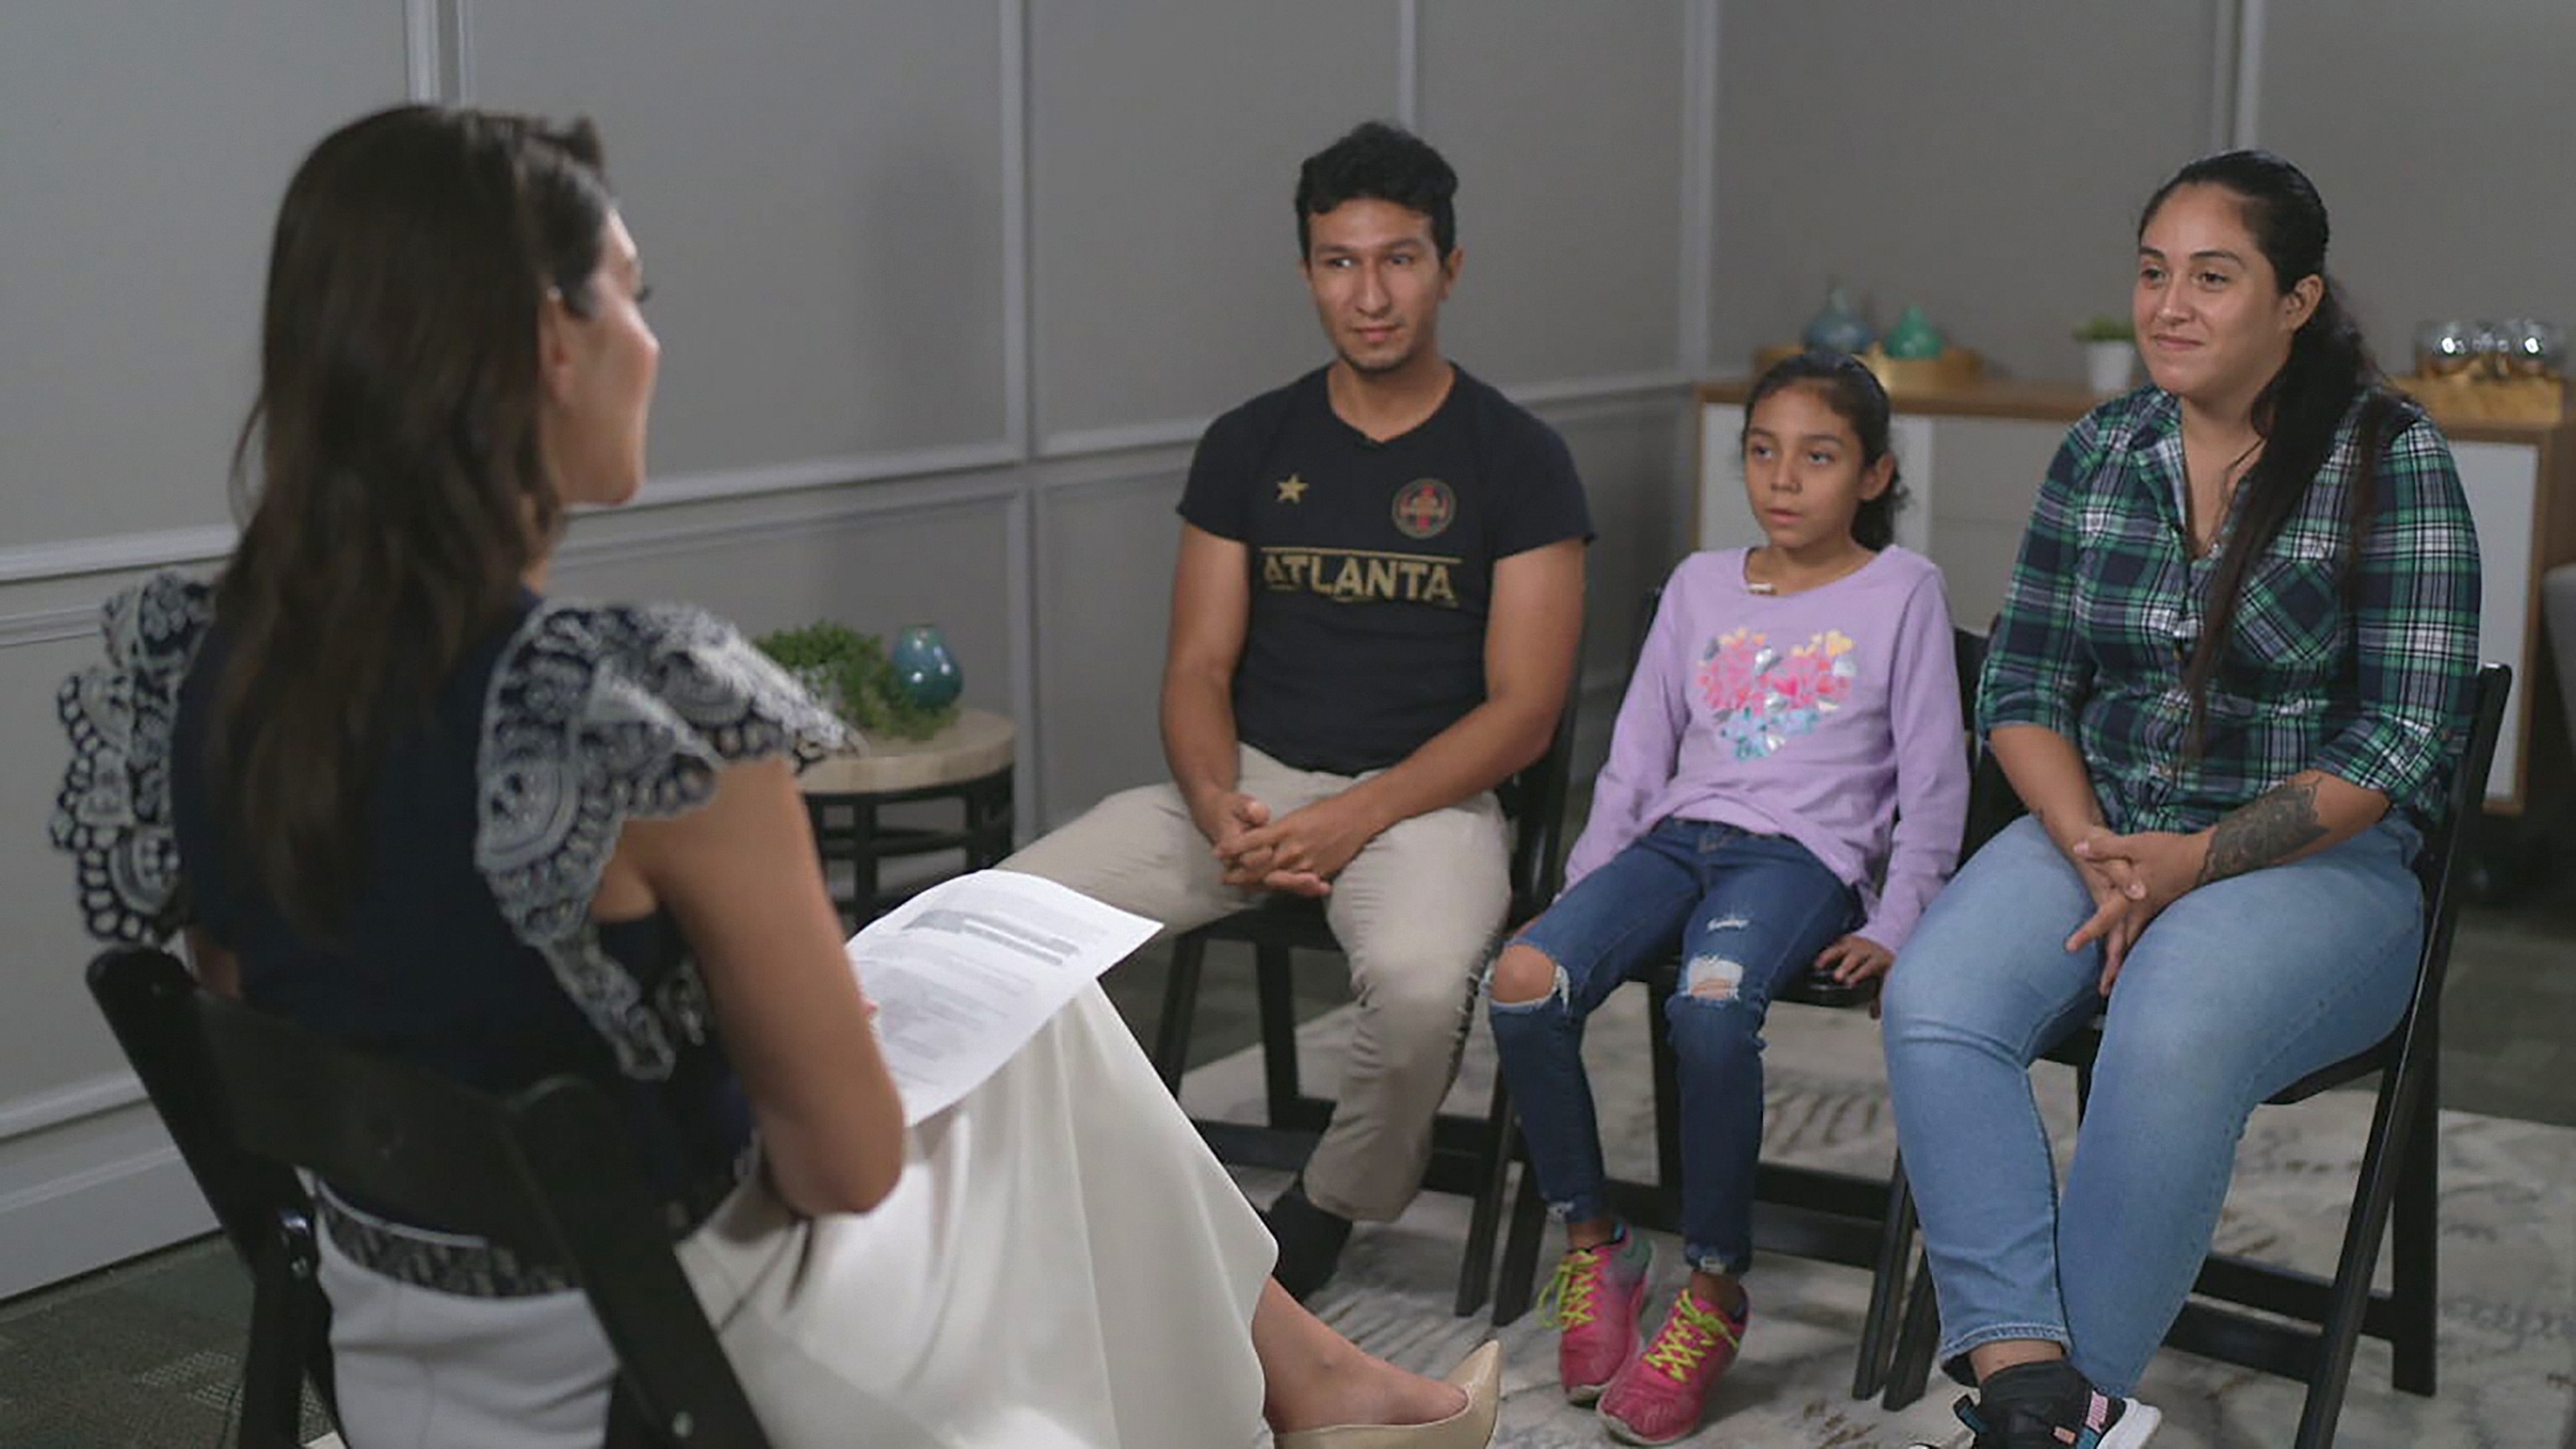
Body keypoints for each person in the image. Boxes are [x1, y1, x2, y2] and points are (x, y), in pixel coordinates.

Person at [49, 104, 1503, 1449]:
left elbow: (265, 1004)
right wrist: (805, 1038)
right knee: (1008, 1066)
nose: (652, 339)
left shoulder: (200, 671)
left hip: (396, 1342)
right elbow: (845, 1171)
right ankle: (1302, 1394)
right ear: (551, 342)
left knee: (1042, 1029)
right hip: (668, 1351)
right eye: (635, 293)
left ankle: (1310, 1380)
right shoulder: (639, 709)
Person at [1883, 150, 2481, 1449]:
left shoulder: (2391, 456)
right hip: (2098, 824)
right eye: (2155, 274)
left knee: (2166, 1022)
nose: (2171, 306)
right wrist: (2099, 849)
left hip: (2315, 865)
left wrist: (2196, 861)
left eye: (2215, 278)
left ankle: (2050, 1421)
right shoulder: (2106, 447)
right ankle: (2032, 1381)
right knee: (1935, 1000)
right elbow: (2027, 688)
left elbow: (2393, 744)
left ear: (2298, 300)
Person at [1005, 120, 1590, 1297]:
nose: (1369, 294)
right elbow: (1195, 670)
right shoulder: (1249, 443)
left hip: (1427, 800)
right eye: (1340, 261)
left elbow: (1526, 714)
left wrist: (1355, 817)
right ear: (1308, 270)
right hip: (1249, 785)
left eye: (1400, 259)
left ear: (1450, 268)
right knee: (1004, 924)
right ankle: (1068, 1188)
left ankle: (1326, 1207)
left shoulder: (1518, 459)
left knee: (1425, 990)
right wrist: (1220, 800)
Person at [1484, 351, 1967, 1445]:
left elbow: (1935, 779)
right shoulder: (1700, 584)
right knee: (1523, 981)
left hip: (1799, 860)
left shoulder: (1905, 593)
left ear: (1876, 473)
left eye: (1819, 455)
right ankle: (1598, 1244)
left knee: (1708, 1004)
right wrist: (1582, 897)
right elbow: (1637, 757)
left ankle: (1711, 1289)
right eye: (1762, 451)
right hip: (1671, 844)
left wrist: (1899, 919)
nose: (1783, 479)